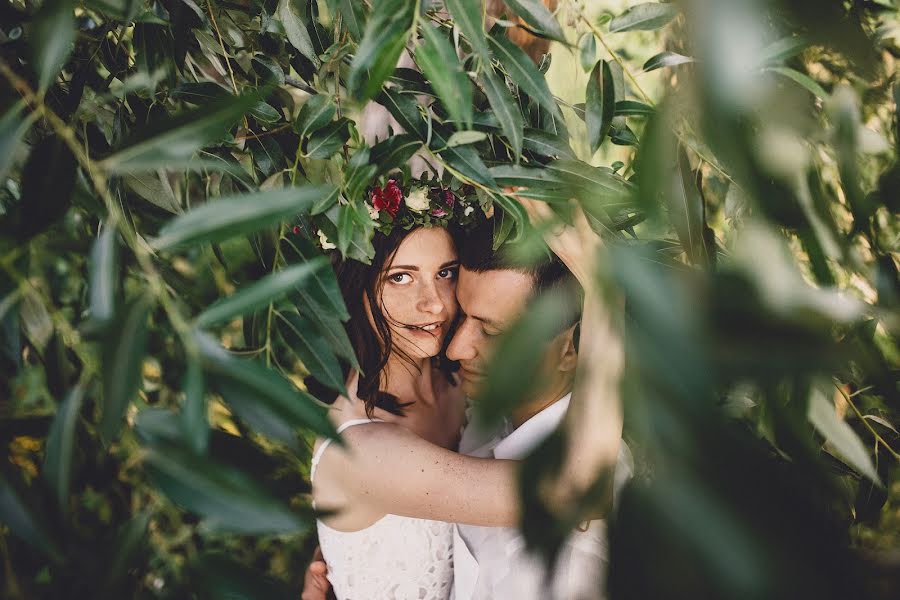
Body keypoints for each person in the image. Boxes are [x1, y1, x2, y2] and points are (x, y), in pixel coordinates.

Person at [304, 186, 625, 600]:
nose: (435, 304)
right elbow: (576, 490)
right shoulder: (363, 450)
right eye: (400, 277)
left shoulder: (454, 374)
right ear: (357, 283)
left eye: (445, 272)